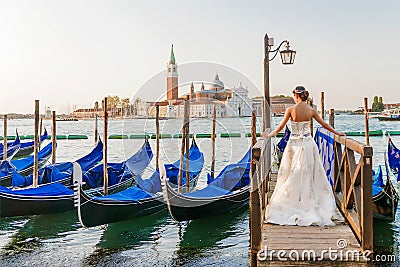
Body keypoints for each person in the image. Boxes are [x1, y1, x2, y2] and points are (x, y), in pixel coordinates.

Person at [263, 86, 345, 226]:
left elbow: (281, 127)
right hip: (308, 143)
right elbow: (324, 124)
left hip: (294, 144)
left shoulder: (291, 110)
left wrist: (269, 135)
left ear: (296, 95)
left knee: (292, 172)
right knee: (309, 173)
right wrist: (337, 133)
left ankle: (293, 200)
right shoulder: (311, 111)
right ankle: (308, 201)